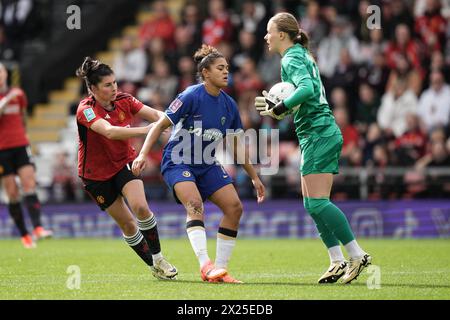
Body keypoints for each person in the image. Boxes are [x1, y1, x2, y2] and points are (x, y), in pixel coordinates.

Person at [255, 13, 372, 284]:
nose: (266, 37)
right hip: (314, 132)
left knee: (318, 202)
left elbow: (306, 90)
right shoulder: (300, 54)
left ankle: (357, 254)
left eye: (269, 32)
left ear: (282, 35)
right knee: (311, 203)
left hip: (319, 132)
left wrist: (280, 107)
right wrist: (280, 109)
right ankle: (336, 260)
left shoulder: (290, 57)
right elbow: (304, 96)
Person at [132, 44, 265, 283]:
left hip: (206, 163)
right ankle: (205, 265)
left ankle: (220, 271)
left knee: (235, 207)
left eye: (227, 68)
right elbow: (161, 124)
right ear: (205, 72)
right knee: (194, 204)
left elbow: (236, 145)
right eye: (220, 68)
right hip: (177, 160)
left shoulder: (229, 105)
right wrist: (142, 154)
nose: (227, 72)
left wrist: (254, 177)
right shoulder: (190, 96)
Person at [75, 56, 177, 280]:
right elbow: (110, 131)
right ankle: (153, 265)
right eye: (107, 85)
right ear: (92, 88)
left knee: (140, 207)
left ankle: (159, 258)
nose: (114, 88)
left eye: (115, 83)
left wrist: (172, 121)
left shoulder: (125, 99)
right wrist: (147, 130)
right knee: (128, 224)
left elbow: (157, 115)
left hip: (123, 164)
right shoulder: (86, 110)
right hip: (95, 176)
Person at [0, 62, 53, 249]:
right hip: (2, 150)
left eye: (1, 72)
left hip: (21, 145)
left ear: (6, 73)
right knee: (12, 193)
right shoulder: (10, 96)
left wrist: (25, 135)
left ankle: (38, 228)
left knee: (29, 184)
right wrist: (6, 101)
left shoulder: (18, 94)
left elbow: (22, 116)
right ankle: (24, 234)